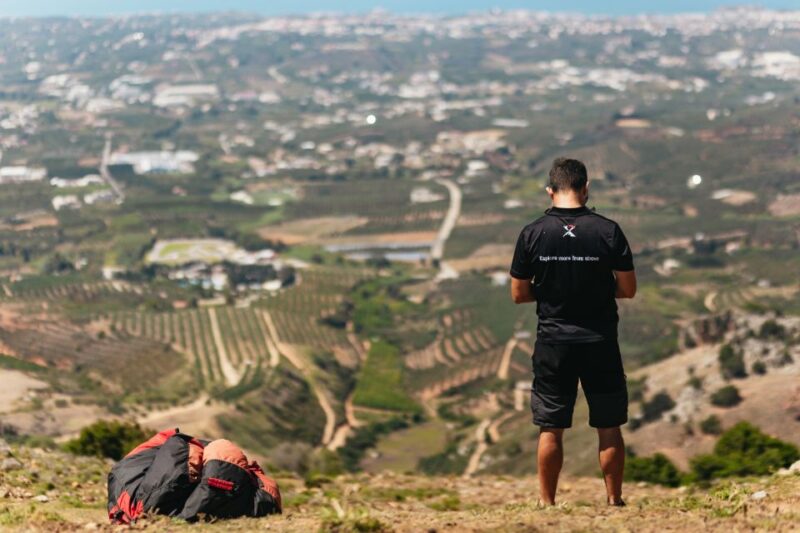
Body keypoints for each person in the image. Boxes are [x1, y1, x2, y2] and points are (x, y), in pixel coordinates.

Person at [509, 157, 636, 507]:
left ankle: (547, 503)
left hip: (553, 342)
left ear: (550, 191)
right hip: (600, 341)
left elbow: (518, 294)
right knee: (609, 425)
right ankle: (614, 501)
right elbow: (628, 289)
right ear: (586, 188)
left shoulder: (532, 233)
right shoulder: (608, 231)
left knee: (551, 426)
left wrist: (551, 294)